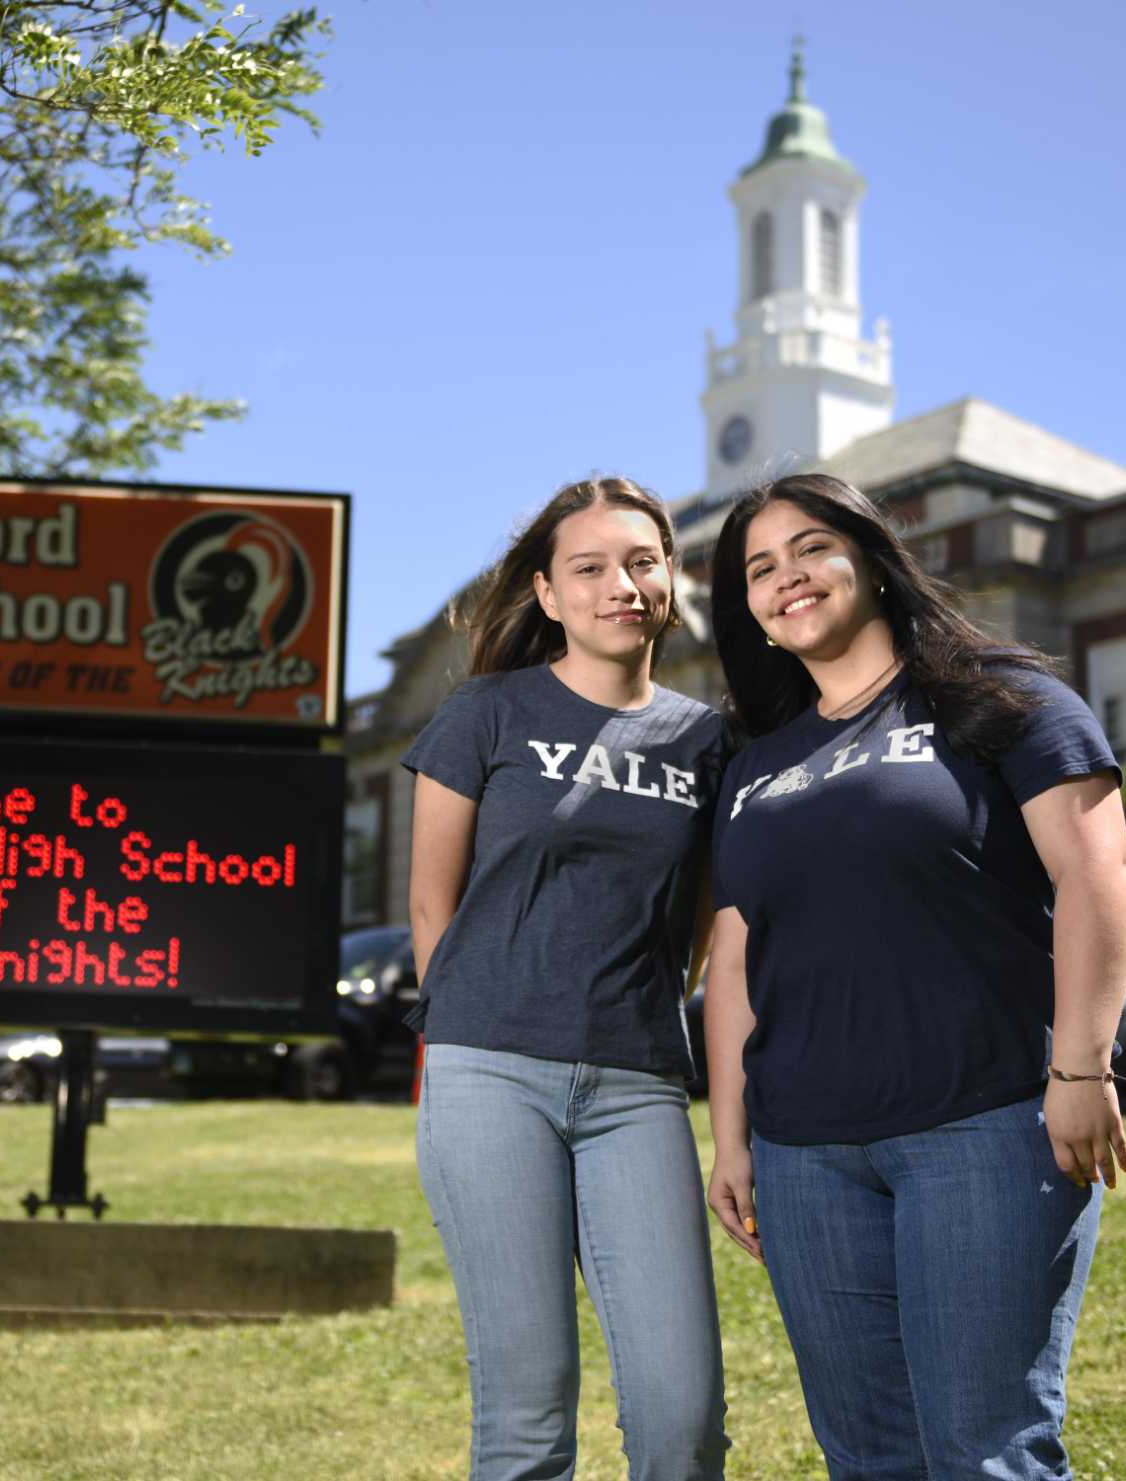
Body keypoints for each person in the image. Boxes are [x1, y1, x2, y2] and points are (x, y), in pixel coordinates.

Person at [702, 473, 1126, 1480]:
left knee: (984, 1451)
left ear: (870, 558)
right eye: (757, 568)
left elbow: (1094, 871)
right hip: (805, 1156)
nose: (785, 577)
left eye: (808, 547)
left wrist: (1078, 1066)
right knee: (866, 1457)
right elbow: (733, 958)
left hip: (980, 1125)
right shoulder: (753, 765)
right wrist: (730, 1135)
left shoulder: (1001, 694)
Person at [404, 476, 732, 1481]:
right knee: (526, 1419)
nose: (617, 585)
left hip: (635, 1082)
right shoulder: (485, 713)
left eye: (640, 562)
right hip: (489, 1074)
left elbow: (707, 927)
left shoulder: (708, 738)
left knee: (682, 1421)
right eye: (586, 567)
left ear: (670, 580)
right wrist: (462, 1036)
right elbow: (430, 905)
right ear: (546, 594)